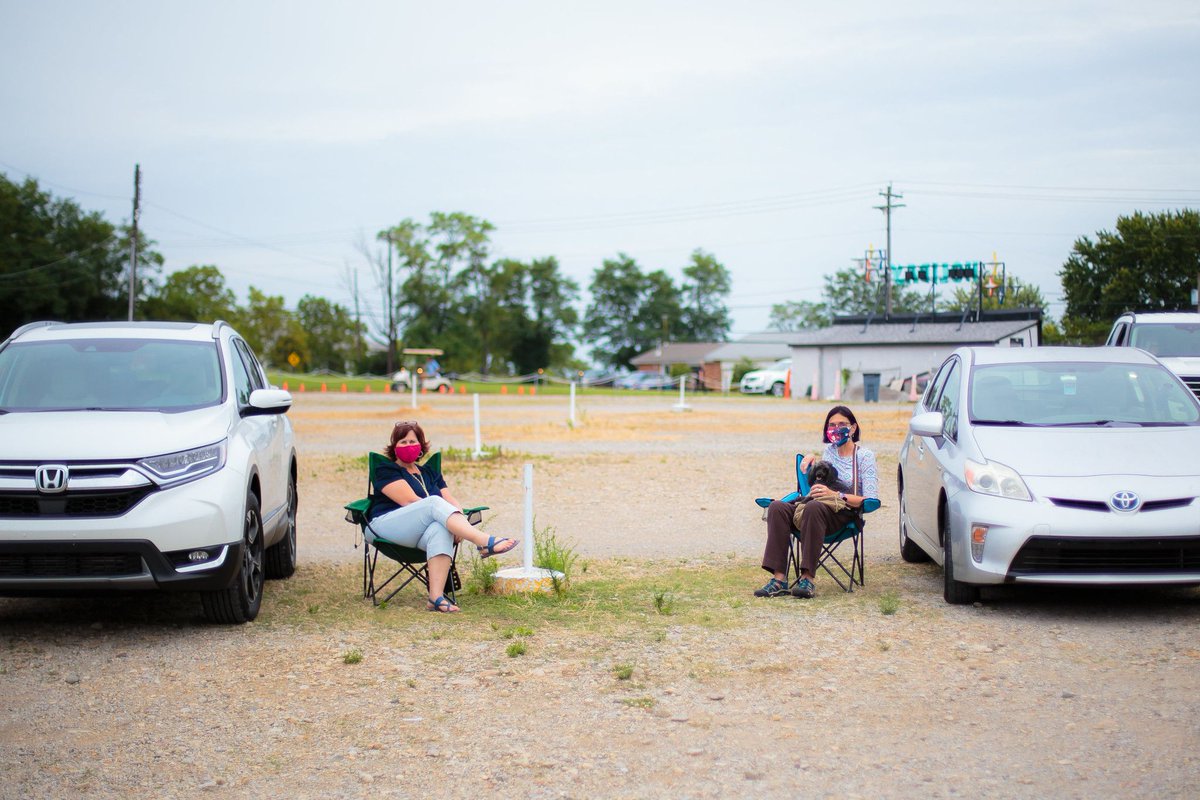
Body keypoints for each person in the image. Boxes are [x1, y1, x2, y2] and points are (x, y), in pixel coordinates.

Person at [365, 421, 518, 612]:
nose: (408, 445)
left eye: (412, 441)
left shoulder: (430, 473)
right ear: (394, 447)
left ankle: (435, 598)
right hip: (384, 526)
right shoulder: (386, 470)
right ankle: (483, 541)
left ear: (421, 446)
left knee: (440, 528)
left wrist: (459, 523)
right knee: (433, 503)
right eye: (402, 442)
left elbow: (450, 500)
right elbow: (410, 501)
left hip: (417, 532)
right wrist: (451, 518)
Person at [756, 405, 879, 599]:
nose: (836, 428)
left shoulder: (864, 456)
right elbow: (819, 477)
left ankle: (807, 580)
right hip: (816, 510)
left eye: (842, 424)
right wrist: (812, 457)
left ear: (853, 428)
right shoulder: (829, 452)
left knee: (813, 507)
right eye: (832, 425)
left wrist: (836, 494)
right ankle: (779, 580)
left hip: (844, 513)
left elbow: (870, 499)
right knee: (777, 507)